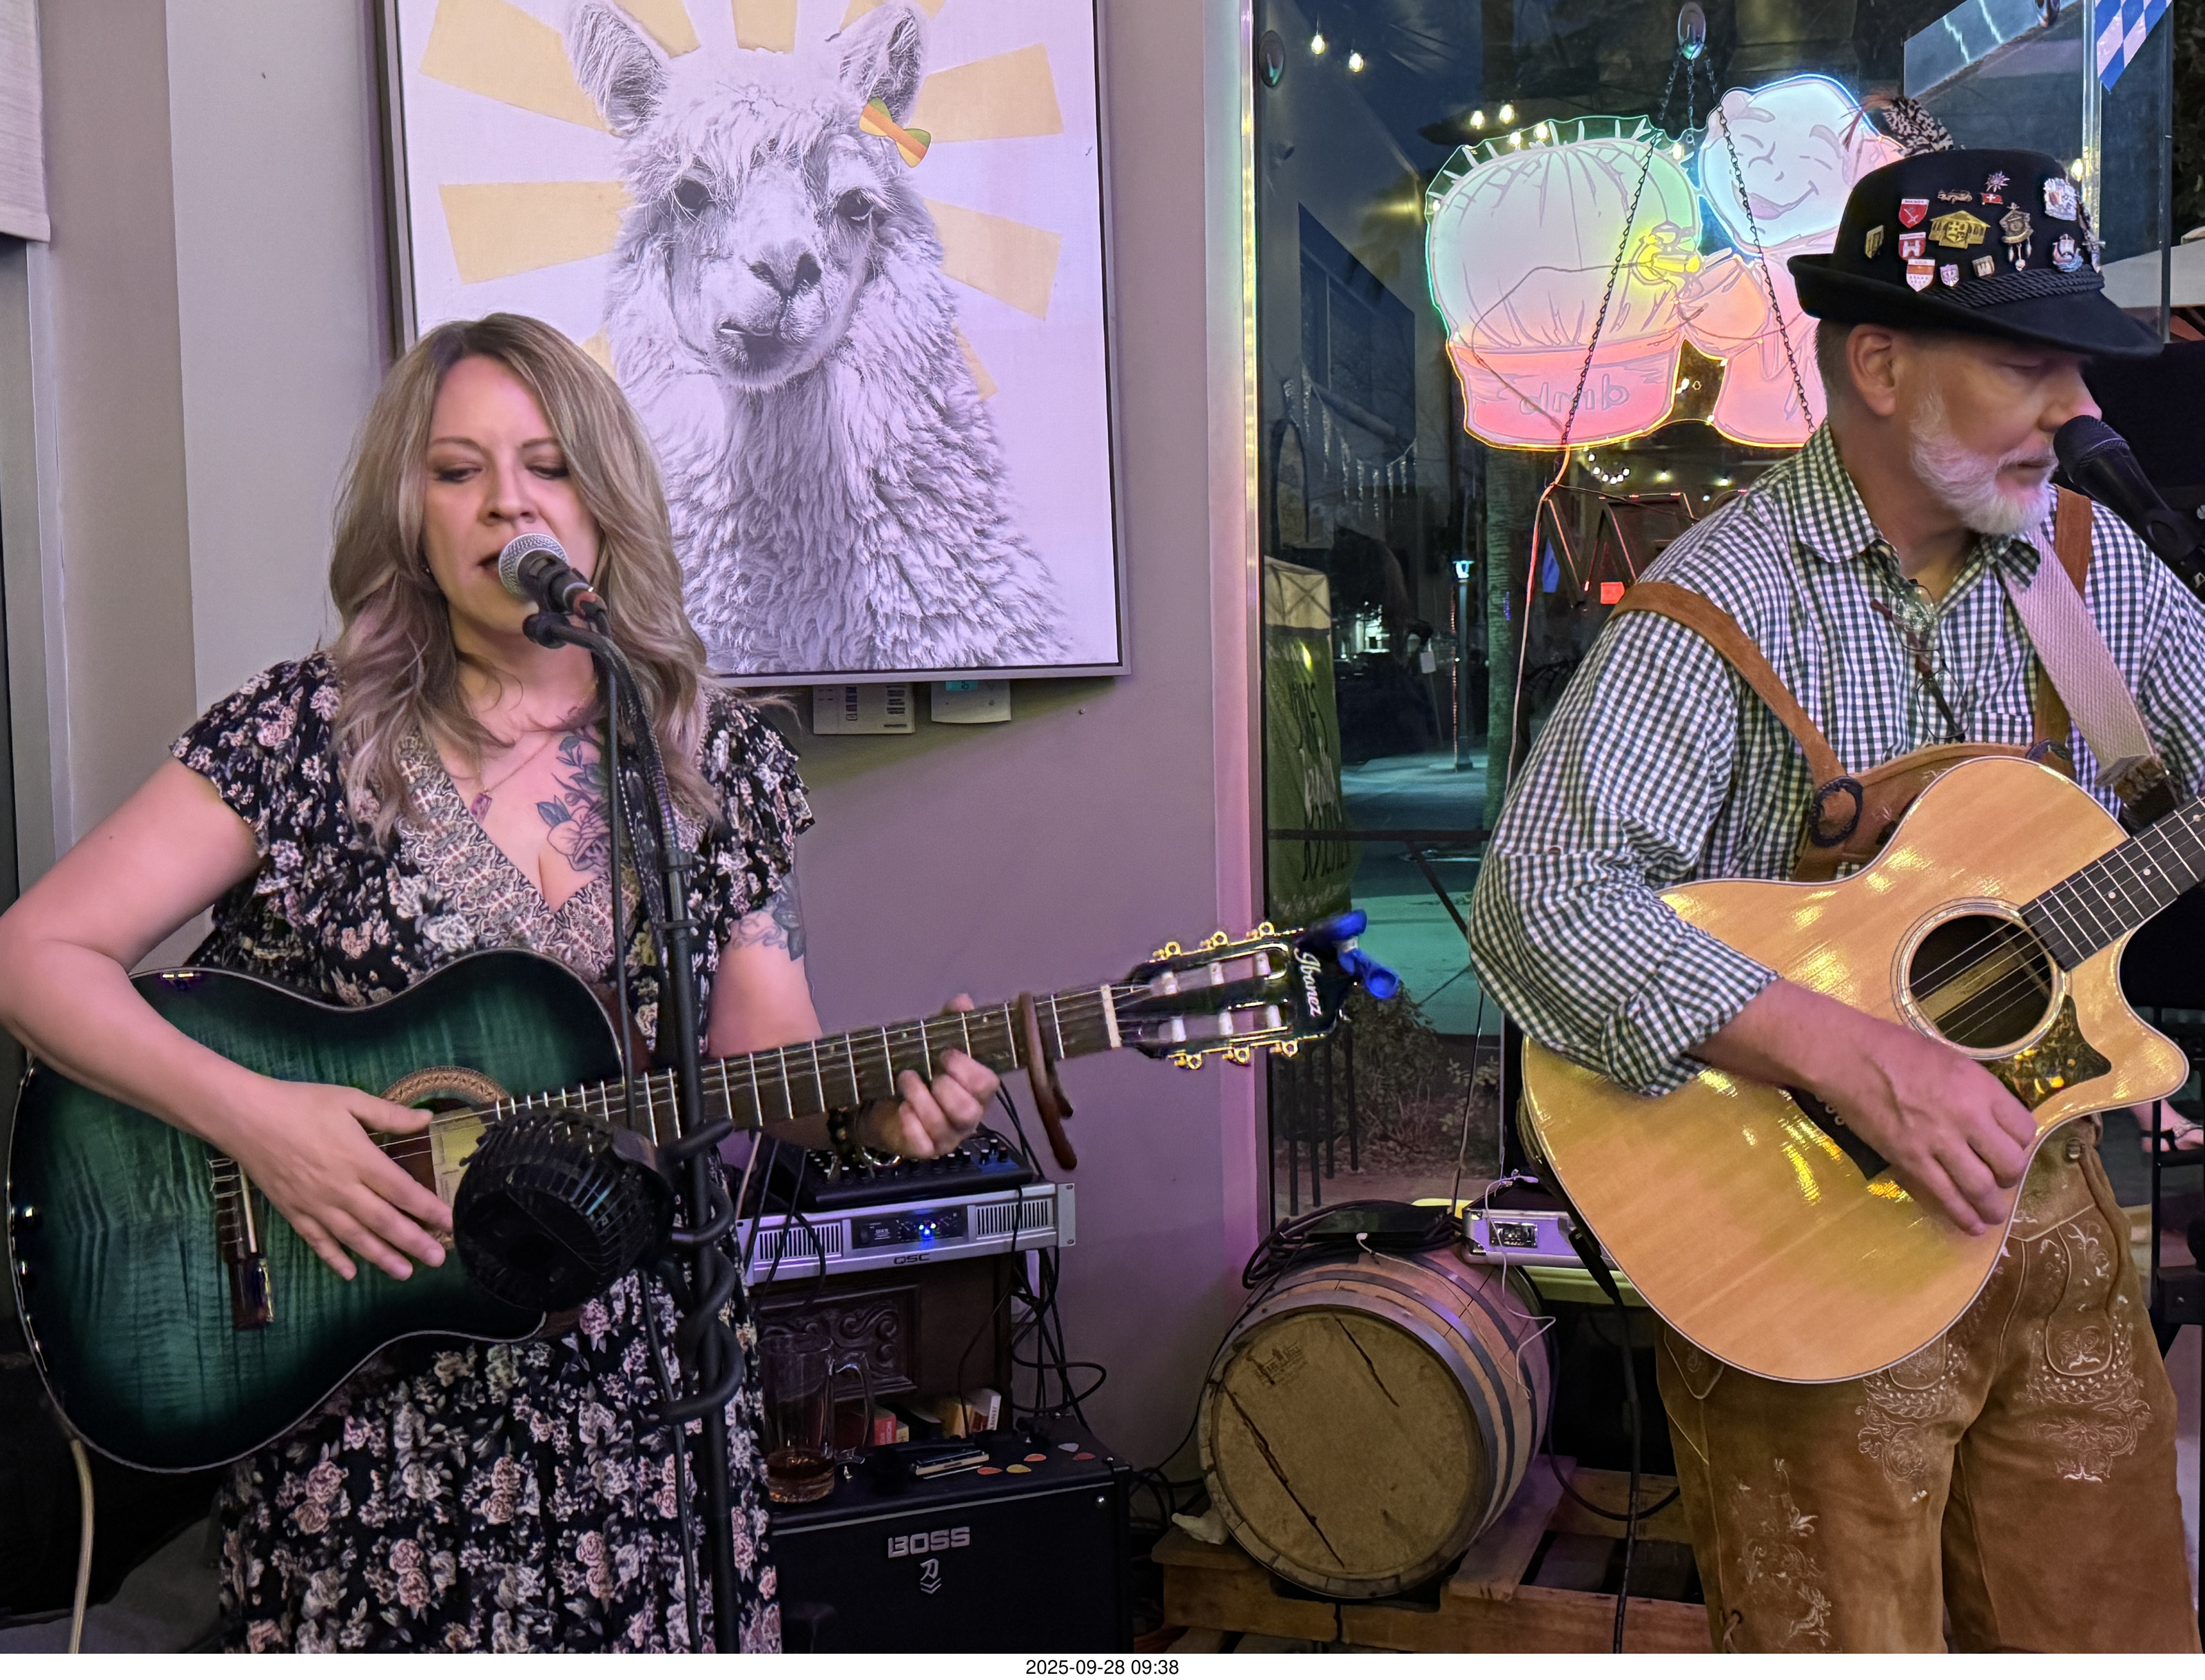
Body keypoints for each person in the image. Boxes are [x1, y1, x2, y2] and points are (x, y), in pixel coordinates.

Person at [0, 314, 1001, 1652]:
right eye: (456, 470)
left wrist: (877, 1110)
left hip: (637, 1416)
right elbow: (33, 954)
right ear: (410, 513)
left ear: (602, 500)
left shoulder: (708, 760)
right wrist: (261, 1122)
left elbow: (766, 1061)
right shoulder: (302, 738)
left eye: (545, 464)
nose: (505, 502)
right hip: (365, 1424)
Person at [1469, 151, 2203, 1652]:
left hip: (2051, 1212)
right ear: (1879, 363)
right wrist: (1861, 1054)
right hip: (1808, 1257)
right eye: (2030, 364)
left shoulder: (2085, 565)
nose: (2079, 407)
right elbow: (1540, 897)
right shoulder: (1725, 597)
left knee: (2115, 1630)